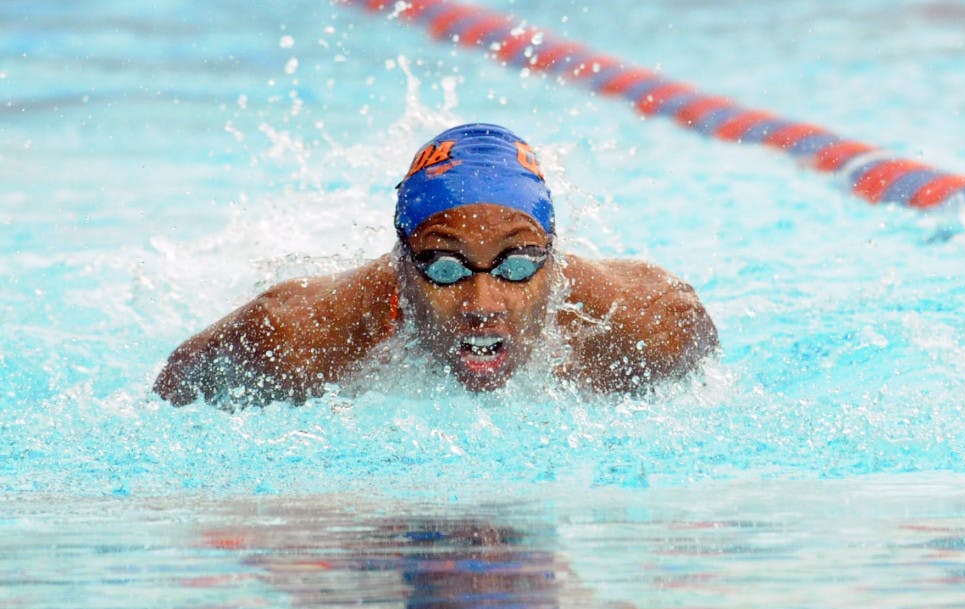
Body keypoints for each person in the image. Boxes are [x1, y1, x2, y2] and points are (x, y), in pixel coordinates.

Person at [153, 123, 718, 408]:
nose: (483, 305)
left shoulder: (655, 325)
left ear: (554, 256)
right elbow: (171, 388)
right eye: (445, 268)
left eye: (518, 265)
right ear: (401, 262)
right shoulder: (294, 337)